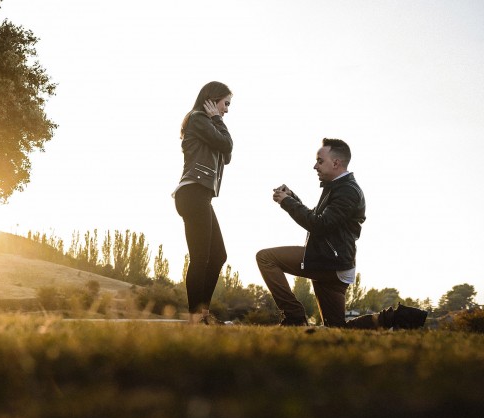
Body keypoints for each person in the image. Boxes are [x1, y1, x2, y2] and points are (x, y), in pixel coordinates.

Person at [256, 138, 427, 329]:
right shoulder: (338, 187)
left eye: (320, 161)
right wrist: (293, 197)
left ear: (336, 163)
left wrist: (287, 202)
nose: (315, 166)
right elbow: (317, 217)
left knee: (265, 258)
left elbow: (319, 224)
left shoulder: (347, 191)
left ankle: (294, 316)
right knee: (337, 328)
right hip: (335, 264)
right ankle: (397, 317)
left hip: (329, 261)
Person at [173, 81, 233, 325]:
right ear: (212, 100)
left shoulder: (207, 123)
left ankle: (202, 314)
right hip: (193, 193)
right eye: (225, 103)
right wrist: (217, 120)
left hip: (201, 195)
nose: (227, 109)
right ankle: (197, 317)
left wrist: (217, 121)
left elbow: (226, 155)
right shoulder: (199, 119)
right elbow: (227, 145)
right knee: (201, 257)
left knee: (217, 255)